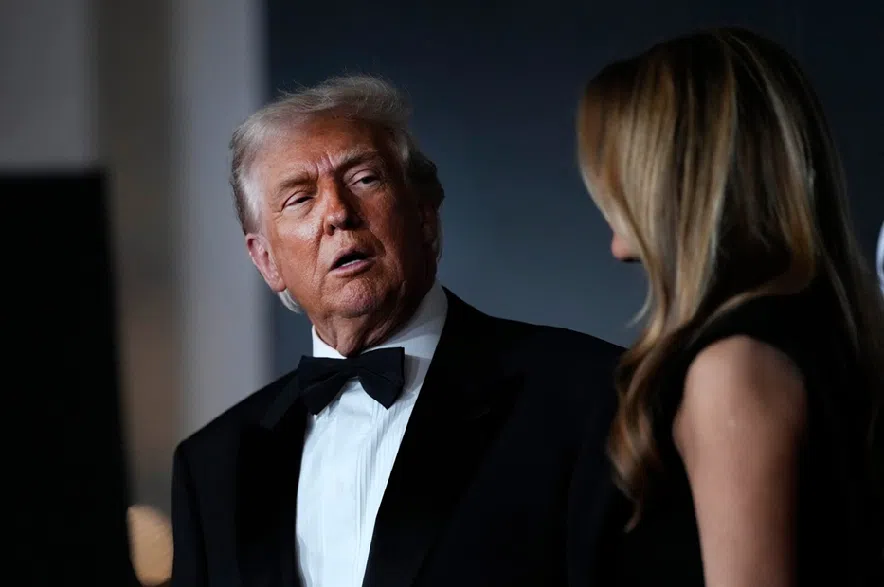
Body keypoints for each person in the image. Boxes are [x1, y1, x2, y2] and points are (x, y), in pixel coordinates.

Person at [170, 75, 622, 587]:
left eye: (364, 179)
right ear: (267, 259)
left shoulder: (585, 392)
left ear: (426, 218)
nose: (338, 212)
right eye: (299, 198)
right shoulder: (212, 466)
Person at [574, 27, 884, 587]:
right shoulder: (832, 335)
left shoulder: (733, 367)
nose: (604, 200)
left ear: (666, 182)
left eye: (615, 174)